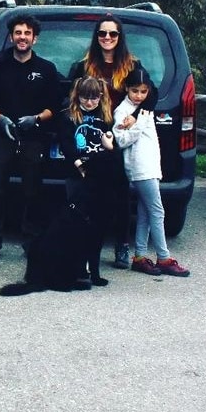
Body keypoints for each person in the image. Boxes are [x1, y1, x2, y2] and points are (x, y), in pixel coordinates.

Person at [68, 15, 155, 269]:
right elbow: (70, 97)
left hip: (118, 139)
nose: (107, 38)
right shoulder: (83, 66)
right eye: (102, 34)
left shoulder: (132, 65)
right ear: (96, 37)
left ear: (120, 37)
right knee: (85, 194)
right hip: (91, 136)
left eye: (113, 34)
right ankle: (79, 245)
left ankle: (121, 245)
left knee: (119, 196)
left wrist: (134, 116)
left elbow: (152, 95)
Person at [0, 15, 63, 260]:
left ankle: (31, 241)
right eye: (18, 33)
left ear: (34, 38)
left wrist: (36, 119)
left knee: (32, 192)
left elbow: (54, 107)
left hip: (33, 137)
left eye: (27, 33)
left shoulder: (46, 69)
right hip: (2, 135)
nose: (22, 37)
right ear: (11, 36)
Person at [112, 67, 190, 277]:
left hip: (151, 166)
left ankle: (139, 256)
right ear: (127, 88)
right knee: (157, 211)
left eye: (143, 92)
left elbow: (153, 94)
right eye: (135, 91)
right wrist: (138, 124)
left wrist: (140, 118)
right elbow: (120, 140)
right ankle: (163, 257)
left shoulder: (144, 108)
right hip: (139, 168)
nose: (139, 96)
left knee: (146, 213)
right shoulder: (122, 111)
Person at [57, 75, 119, 286]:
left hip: (99, 177)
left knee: (97, 225)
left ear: (100, 97)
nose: (89, 102)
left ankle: (94, 268)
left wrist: (110, 145)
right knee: (76, 221)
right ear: (78, 95)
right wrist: (79, 165)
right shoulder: (68, 116)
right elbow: (66, 143)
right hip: (77, 174)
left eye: (94, 98)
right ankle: (77, 265)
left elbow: (112, 148)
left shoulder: (106, 117)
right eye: (85, 97)